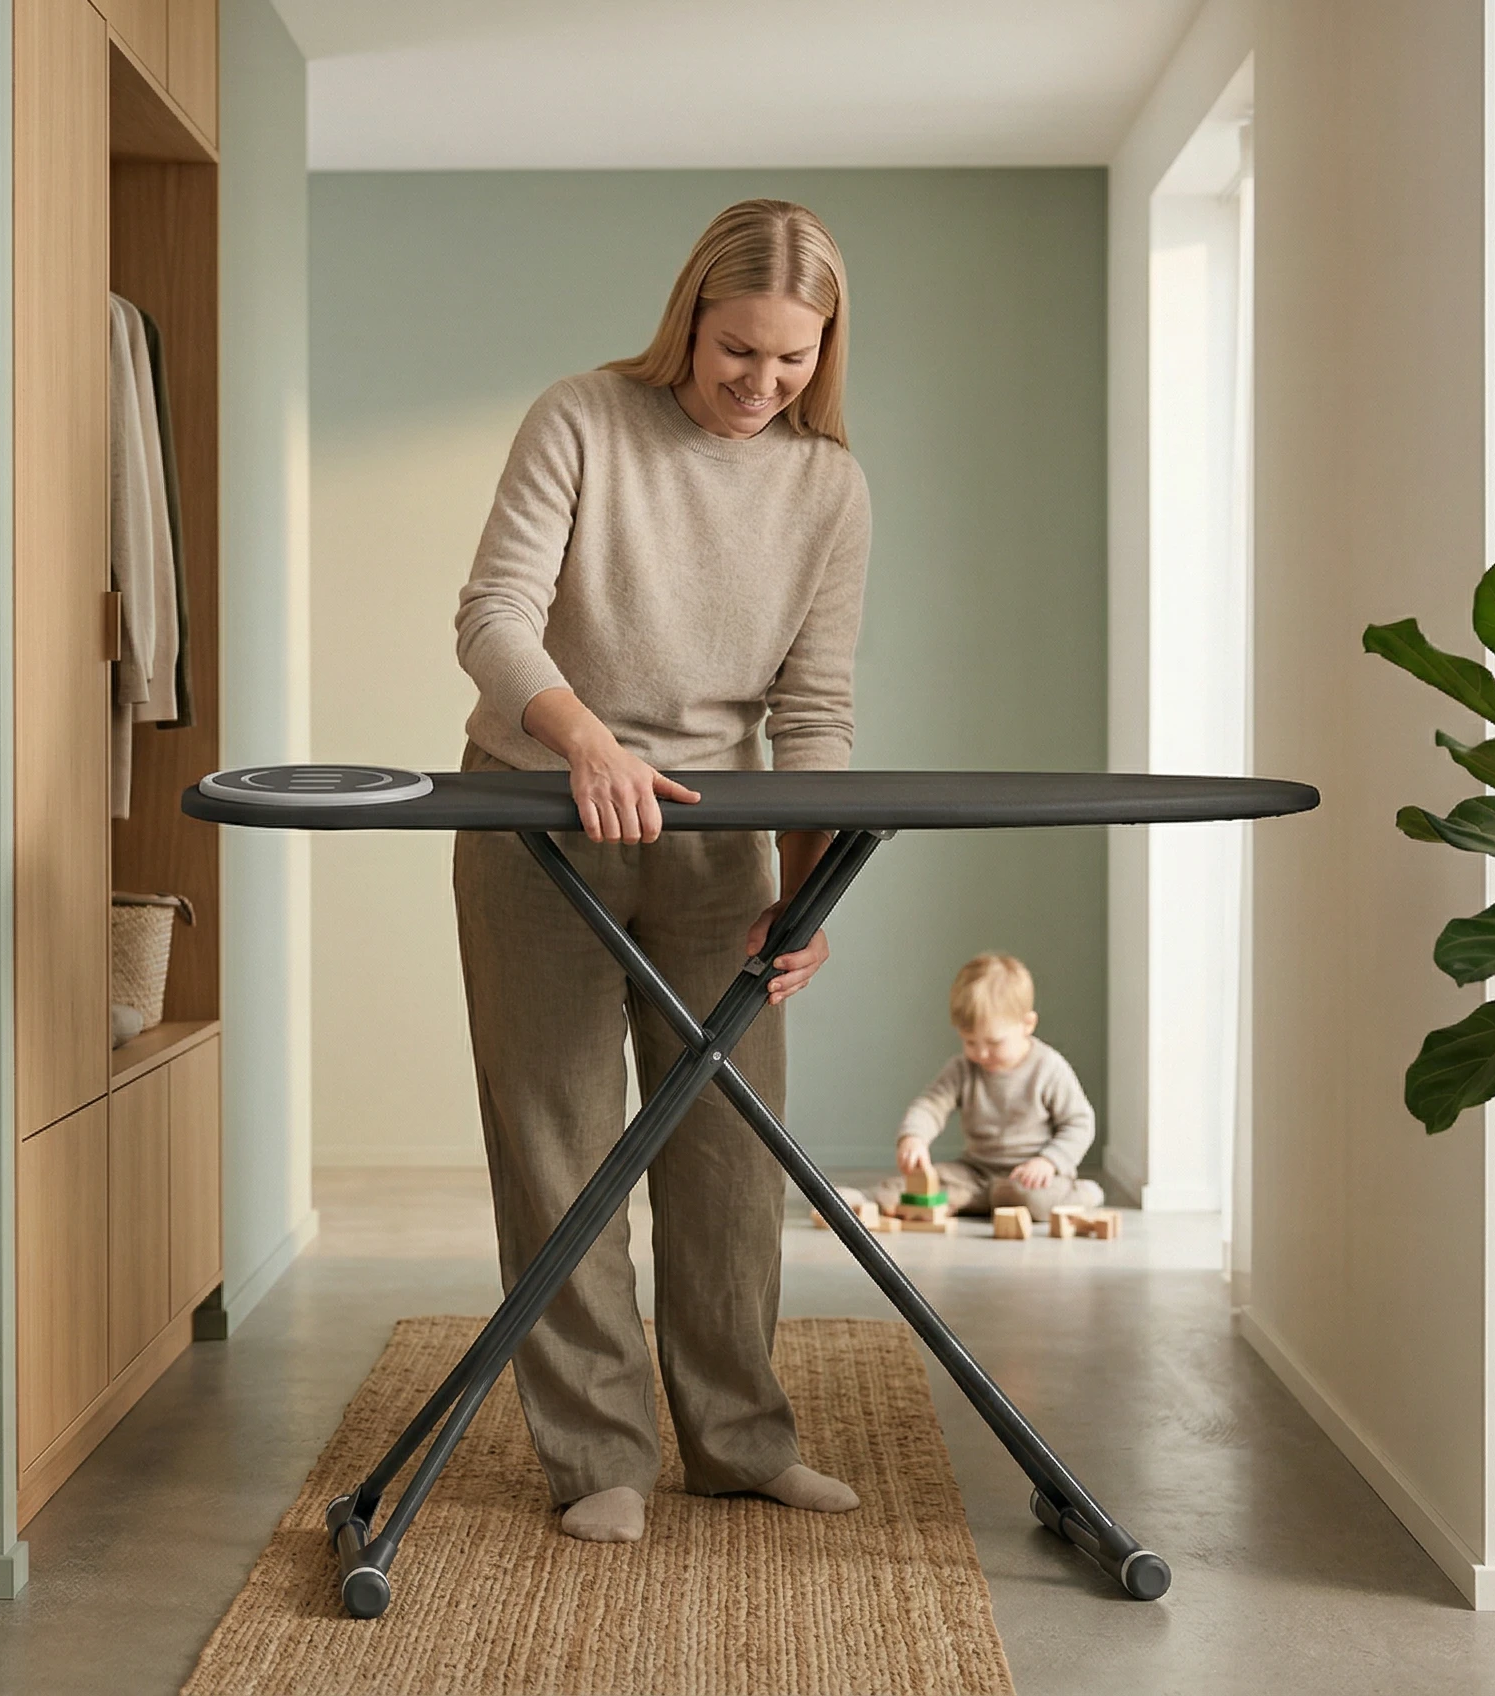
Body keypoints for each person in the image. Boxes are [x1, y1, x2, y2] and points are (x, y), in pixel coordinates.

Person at [451, 200, 871, 1545]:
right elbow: (493, 615)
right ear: (689, 320)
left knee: (731, 1149)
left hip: (715, 842)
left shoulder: (828, 489)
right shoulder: (582, 419)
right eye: (738, 349)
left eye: (793, 359)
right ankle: (597, 1458)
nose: (760, 383)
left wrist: (806, 895)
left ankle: (741, 1443)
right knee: (560, 1146)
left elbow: (815, 712)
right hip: (539, 817)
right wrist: (582, 740)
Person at [880, 954, 1104, 1220]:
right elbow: (930, 1105)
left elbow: (1080, 1123)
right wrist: (914, 1137)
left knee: (1035, 1200)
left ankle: (1083, 1193)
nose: (982, 1054)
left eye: (994, 1043)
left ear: (1027, 1025)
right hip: (976, 1171)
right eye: (970, 1042)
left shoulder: (1048, 1068)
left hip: (1031, 1175)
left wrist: (1049, 1161)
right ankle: (855, 1205)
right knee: (917, 1186)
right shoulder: (963, 1068)